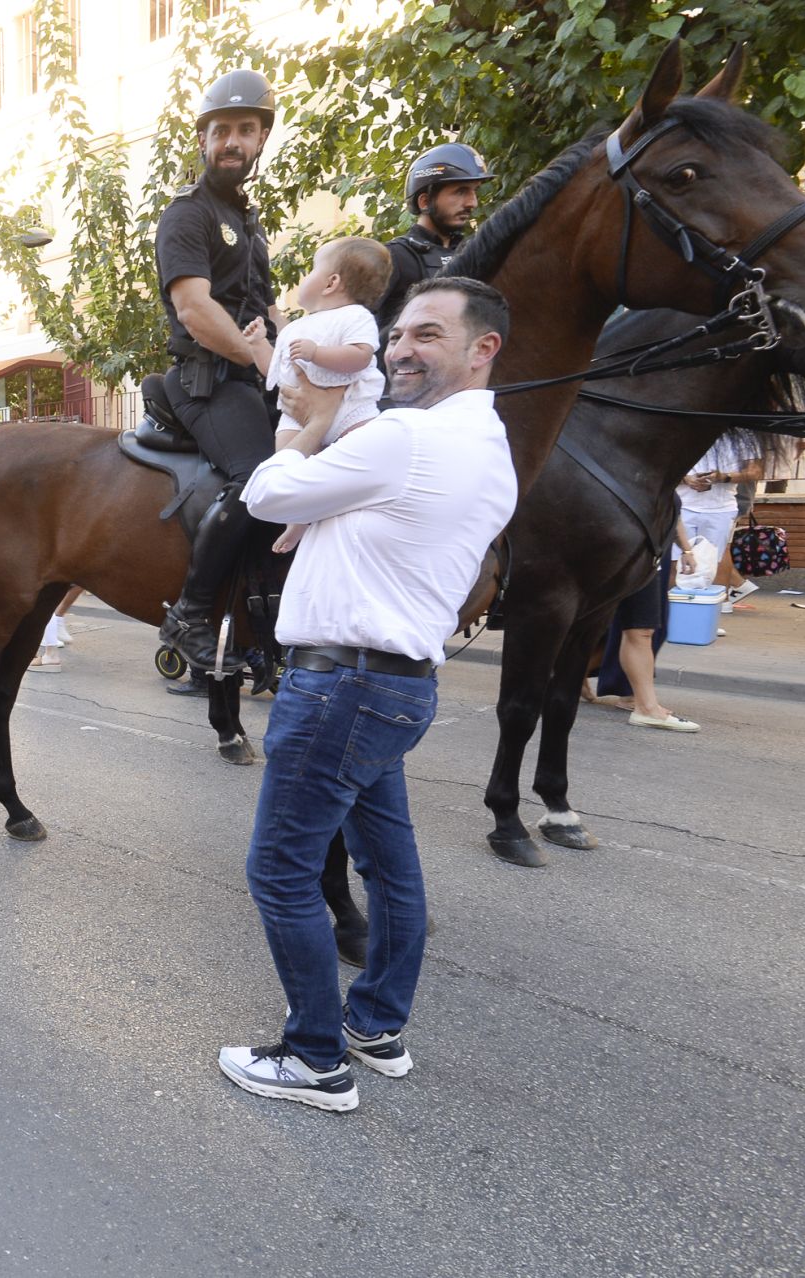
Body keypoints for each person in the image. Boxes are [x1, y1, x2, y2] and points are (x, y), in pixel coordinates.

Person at [217, 278, 517, 1112]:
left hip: (341, 688)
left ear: (482, 348)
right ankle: (376, 1025)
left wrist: (309, 426)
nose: (400, 351)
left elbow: (266, 493)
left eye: (428, 335)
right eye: (396, 337)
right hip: (394, 690)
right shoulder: (488, 452)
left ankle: (314, 1056)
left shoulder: (404, 440)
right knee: (390, 866)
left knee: (280, 868)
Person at [154, 69, 282, 671]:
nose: (232, 140)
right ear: (204, 141)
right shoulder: (189, 213)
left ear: (260, 140)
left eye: (245, 130)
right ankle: (188, 613)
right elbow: (194, 308)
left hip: (255, 378)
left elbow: (268, 308)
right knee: (259, 479)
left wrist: (297, 357)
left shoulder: (251, 224)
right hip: (205, 379)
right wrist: (260, 358)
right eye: (221, 130)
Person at [241, 237, 393, 552]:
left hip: (351, 408)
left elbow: (361, 356)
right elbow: (277, 371)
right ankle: (297, 520)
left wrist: (317, 353)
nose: (304, 277)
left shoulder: (355, 316)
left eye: (312, 269)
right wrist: (258, 345)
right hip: (298, 414)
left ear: (331, 283)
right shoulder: (296, 327)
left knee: (366, 448)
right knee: (284, 450)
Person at [373, 143, 496, 337]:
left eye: (474, 191)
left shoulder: (473, 253)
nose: (472, 202)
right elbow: (353, 328)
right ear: (424, 201)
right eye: (461, 191)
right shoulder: (393, 257)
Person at [586, 522, 700, 732]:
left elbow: (672, 512)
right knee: (629, 627)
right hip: (622, 550)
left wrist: (686, 549)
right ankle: (642, 704)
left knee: (645, 628)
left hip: (651, 554)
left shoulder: (664, 492)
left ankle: (640, 702)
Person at [678, 430, 763, 609]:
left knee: (715, 561)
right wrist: (686, 479)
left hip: (721, 509)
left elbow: (755, 471)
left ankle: (714, 612)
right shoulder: (684, 428)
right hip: (683, 506)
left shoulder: (743, 435)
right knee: (677, 562)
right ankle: (678, 613)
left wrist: (723, 477)